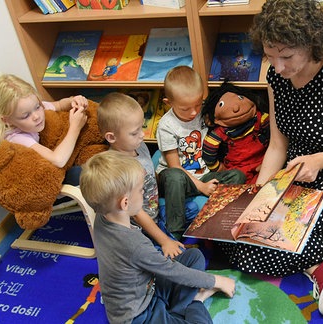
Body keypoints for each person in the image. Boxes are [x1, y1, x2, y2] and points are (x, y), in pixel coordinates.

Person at [218, 0, 323, 317]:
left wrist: (321, 160)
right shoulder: (277, 76)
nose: (278, 66)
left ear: (311, 44)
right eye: (270, 56)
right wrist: (260, 193)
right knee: (236, 236)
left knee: (268, 246)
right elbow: (277, 145)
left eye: (286, 56)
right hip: (294, 175)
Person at [79, 150, 235, 323]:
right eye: (141, 190)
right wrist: (216, 281)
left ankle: (177, 310)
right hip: (138, 315)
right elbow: (172, 271)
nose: (144, 192)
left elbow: (163, 267)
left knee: (193, 257)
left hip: (149, 287)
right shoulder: (133, 244)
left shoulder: (103, 216)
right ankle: (195, 302)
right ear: (125, 203)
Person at [97, 91, 198, 258]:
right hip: (138, 226)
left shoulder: (139, 145)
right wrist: (164, 240)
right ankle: (166, 243)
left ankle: (170, 235)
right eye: (134, 132)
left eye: (141, 127)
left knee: (195, 209)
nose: (142, 135)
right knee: (155, 255)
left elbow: (151, 174)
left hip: (155, 209)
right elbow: (137, 213)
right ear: (111, 137)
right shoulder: (119, 168)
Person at [155, 66, 246, 237]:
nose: (194, 112)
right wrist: (202, 187)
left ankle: (220, 225)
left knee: (237, 176)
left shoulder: (202, 112)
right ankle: (174, 234)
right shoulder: (166, 126)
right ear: (168, 102)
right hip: (176, 180)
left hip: (203, 175)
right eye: (185, 109)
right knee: (174, 175)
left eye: (198, 104)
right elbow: (174, 166)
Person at [0, 74, 88, 185]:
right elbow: (58, 160)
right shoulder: (17, 139)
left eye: (37, 107)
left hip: (57, 162)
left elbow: (60, 105)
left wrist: (73, 100)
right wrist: (75, 127)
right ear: (7, 120)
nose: (36, 116)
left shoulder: (34, 108)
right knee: (81, 173)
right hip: (43, 185)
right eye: (25, 116)